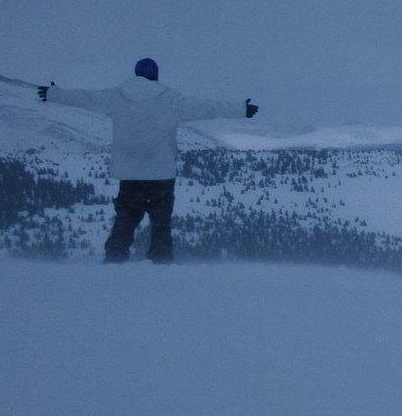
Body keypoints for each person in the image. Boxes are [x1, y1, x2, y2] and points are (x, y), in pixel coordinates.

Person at [39, 58, 258, 264]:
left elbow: (83, 98)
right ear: (156, 76)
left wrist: (53, 93)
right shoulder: (170, 99)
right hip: (161, 174)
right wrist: (240, 109)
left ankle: (114, 262)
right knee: (161, 224)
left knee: (125, 221)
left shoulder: (116, 96)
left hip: (130, 173)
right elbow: (206, 107)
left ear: (136, 74)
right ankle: (161, 264)